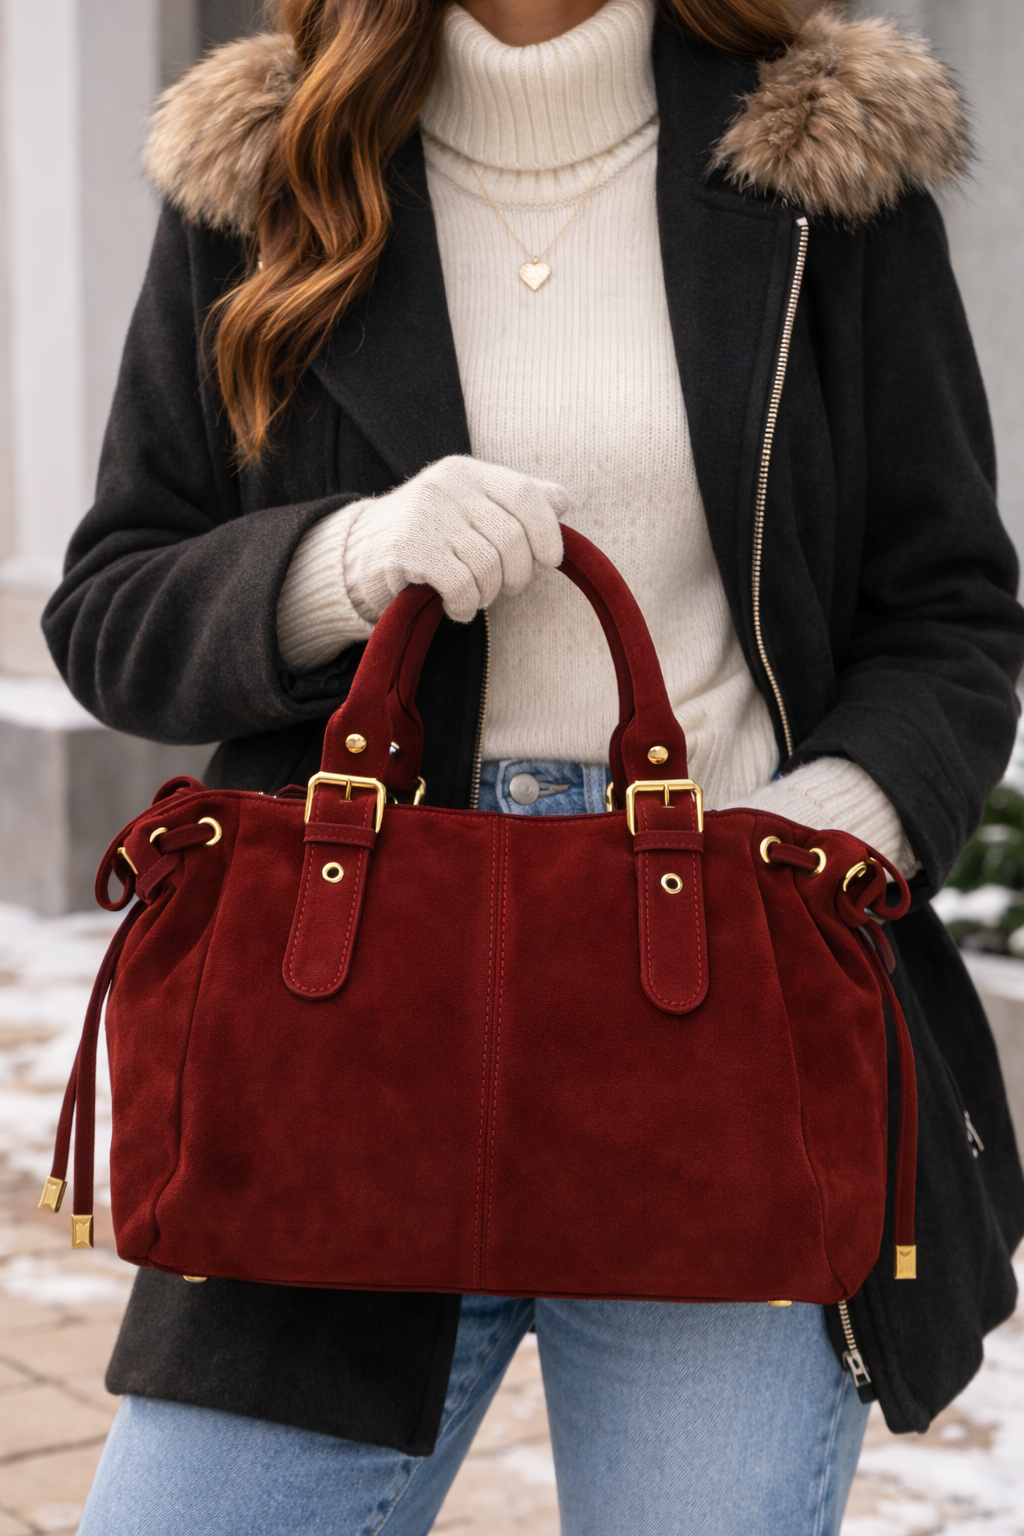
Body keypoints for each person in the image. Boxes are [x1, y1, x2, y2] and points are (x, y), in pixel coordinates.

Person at [46, 0, 1024, 1530]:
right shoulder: (269, 161)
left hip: (719, 995)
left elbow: (949, 609)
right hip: (352, 1008)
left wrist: (829, 836)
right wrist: (347, 560)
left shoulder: (825, 157)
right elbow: (113, 609)